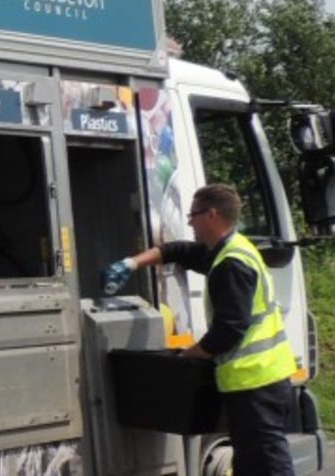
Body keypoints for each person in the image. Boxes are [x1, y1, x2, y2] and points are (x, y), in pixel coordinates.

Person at [102, 183, 299, 476]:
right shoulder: (229, 249)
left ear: (211, 215)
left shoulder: (232, 264)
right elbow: (180, 251)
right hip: (257, 380)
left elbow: (228, 330)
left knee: (267, 463)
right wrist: (131, 264)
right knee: (251, 463)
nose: (189, 222)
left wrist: (188, 356)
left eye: (192, 215)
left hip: (256, 381)